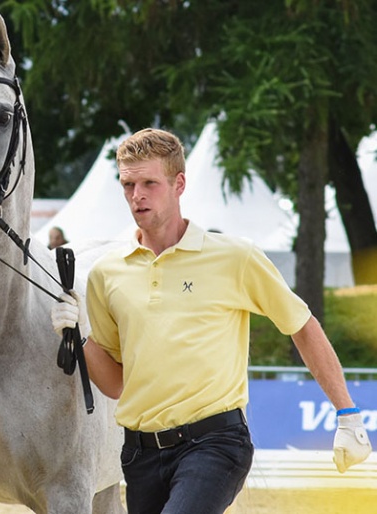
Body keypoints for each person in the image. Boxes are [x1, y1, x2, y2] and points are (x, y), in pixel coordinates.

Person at [50, 128, 372, 514]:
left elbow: (301, 325)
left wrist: (347, 413)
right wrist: (79, 336)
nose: (137, 195)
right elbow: (117, 383)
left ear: (179, 183)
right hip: (140, 455)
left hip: (216, 444)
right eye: (128, 184)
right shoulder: (106, 275)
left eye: (149, 183)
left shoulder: (235, 258)